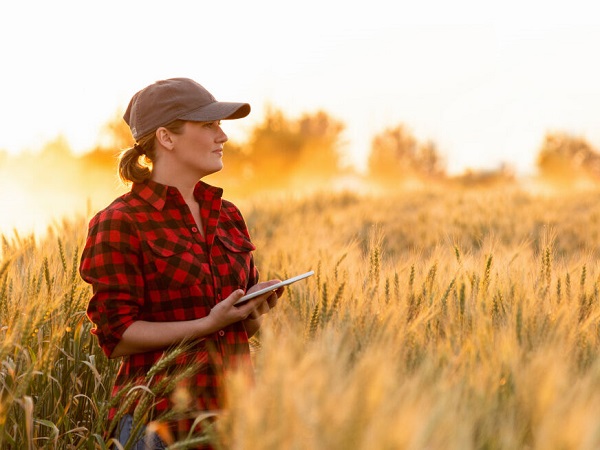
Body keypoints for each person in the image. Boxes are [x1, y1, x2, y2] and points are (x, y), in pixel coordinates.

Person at [79, 77, 283, 449]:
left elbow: (230, 334)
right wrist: (208, 323)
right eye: (208, 125)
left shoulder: (228, 215)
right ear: (166, 138)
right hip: (157, 425)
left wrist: (251, 312)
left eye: (219, 125)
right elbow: (117, 336)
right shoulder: (121, 221)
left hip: (231, 418)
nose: (222, 136)